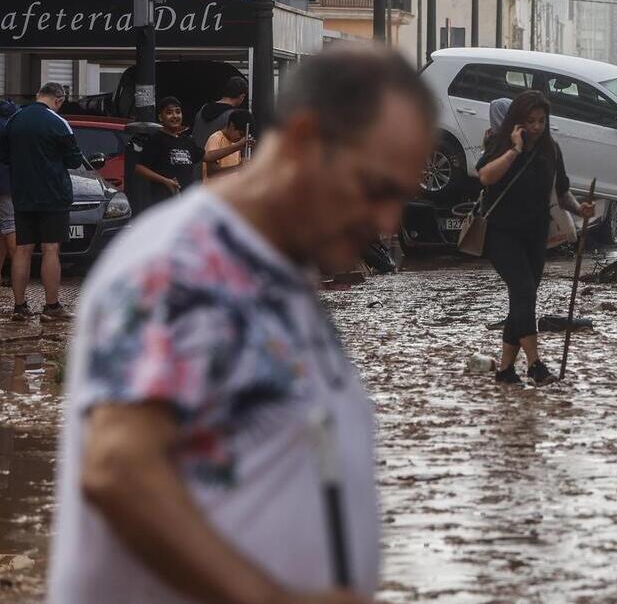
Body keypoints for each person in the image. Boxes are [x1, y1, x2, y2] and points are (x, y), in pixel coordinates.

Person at [49, 42, 435, 604]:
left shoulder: (278, 275)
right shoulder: (182, 263)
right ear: (304, 142)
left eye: (401, 197)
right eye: (376, 189)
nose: (386, 221)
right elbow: (118, 469)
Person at [476, 90, 595, 386]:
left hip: (535, 234)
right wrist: (514, 149)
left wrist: (580, 208)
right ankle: (535, 365)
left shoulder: (550, 149)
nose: (537, 127)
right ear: (518, 121)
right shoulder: (500, 143)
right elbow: (486, 177)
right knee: (525, 291)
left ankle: (505, 371)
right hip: (501, 233)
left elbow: (562, 190)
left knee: (522, 299)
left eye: (542, 120)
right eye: (531, 121)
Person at [0, 83, 81, 322]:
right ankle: (52, 306)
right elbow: (74, 160)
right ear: (58, 99)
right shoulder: (58, 122)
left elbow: (4, 156)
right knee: (50, 249)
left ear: (38, 95)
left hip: (23, 195)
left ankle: (19, 307)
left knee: (23, 250)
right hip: (53, 196)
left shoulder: (14, 120)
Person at [128, 97, 239, 215]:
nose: (175, 116)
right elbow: (140, 168)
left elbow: (208, 156)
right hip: (164, 205)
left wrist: (238, 146)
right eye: (169, 112)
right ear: (161, 117)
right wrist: (166, 181)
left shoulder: (187, 141)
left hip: (185, 204)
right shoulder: (156, 140)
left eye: (178, 112)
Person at [192, 76, 249, 150]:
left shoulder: (203, 109)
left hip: (197, 158)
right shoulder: (234, 117)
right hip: (218, 160)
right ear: (242, 96)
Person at [202, 109, 254, 181]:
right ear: (232, 126)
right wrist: (238, 167)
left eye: (243, 136)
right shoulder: (215, 139)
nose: (241, 138)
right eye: (241, 134)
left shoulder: (236, 142)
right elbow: (211, 173)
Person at [0, 99, 19, 289]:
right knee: (9, 227)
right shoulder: (11, 125)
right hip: (6, 184)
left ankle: (15, 271)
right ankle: (18, 270)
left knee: (4, 229)